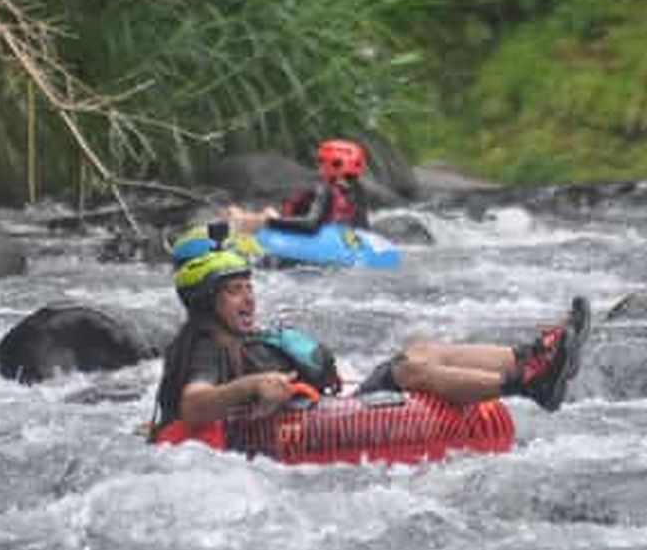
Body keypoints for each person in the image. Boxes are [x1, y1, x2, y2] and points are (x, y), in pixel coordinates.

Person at [152, 240, 591, 433]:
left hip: (326, 404)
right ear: (206, 301)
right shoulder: (206, 346)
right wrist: (252, 386)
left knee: (424, 346)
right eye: (234, 291)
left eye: (249, 286)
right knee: (413, 369)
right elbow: (193, 403)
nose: (248, 298)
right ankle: (526, 385)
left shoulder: (230, 335)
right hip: (318, 419)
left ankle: (532, 357)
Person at [228, 138, 371, 236]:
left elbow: (310, 225)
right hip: (339, 236)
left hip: (316, 234)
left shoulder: (324, 190)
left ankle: (236, 223)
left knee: (265, 213)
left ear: (332, 165)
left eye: (321, 161)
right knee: (270, 211)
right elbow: (363, 228)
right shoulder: (357, 191)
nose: (319, 166)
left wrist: (267, 221)